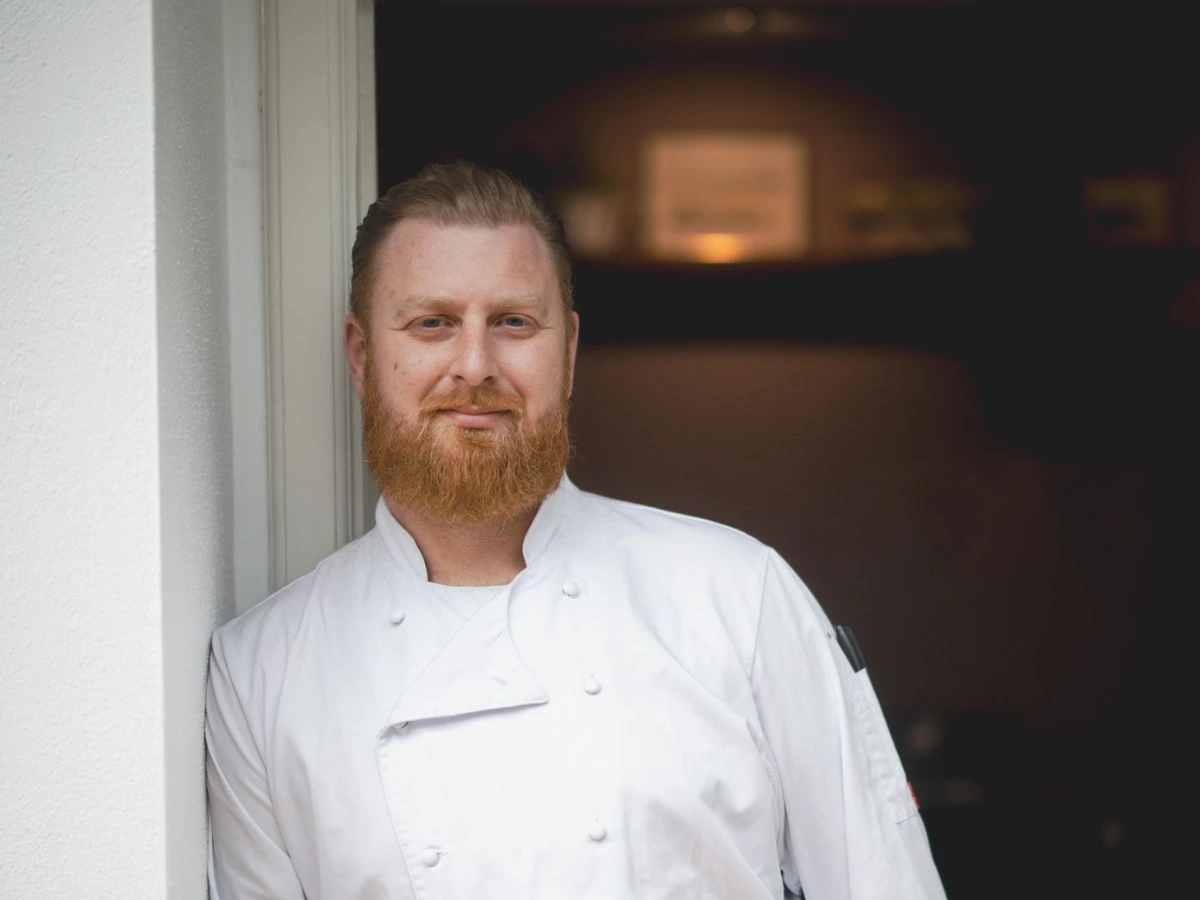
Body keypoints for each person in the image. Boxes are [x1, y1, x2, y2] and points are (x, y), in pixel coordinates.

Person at [205, 161, 947, 900]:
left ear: (567, 353)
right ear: (364, 357)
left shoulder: (736, 596)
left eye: (513, 323)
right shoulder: (264, 672)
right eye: (433, 323)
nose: (475, 365)